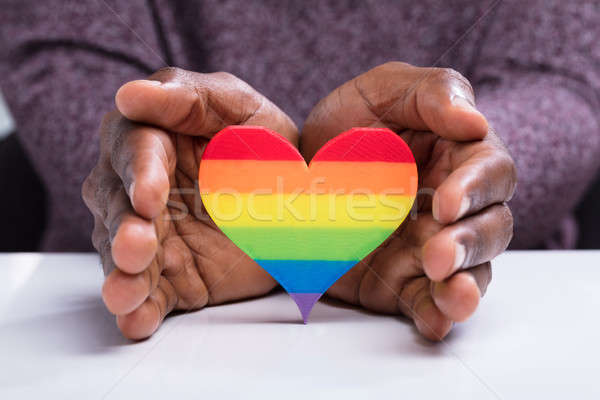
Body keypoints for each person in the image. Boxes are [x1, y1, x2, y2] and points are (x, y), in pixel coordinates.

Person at [0, 1, 598, 340]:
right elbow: (60, 60)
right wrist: (156, 164)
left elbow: (566, 80)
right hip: (151, 305)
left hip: (513, 313)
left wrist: (449, 160)